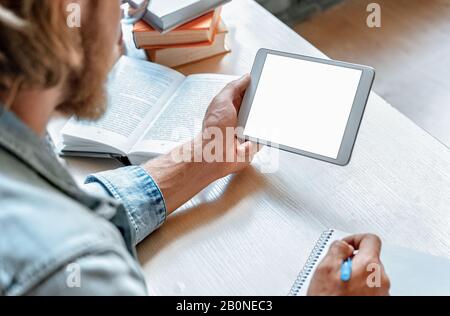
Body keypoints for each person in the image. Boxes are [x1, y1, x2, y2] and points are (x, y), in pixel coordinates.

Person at [0, 0, 390, 296]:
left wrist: (205, 155)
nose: (130, 15)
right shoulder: (73, 270)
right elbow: (65, 245)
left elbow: (76, 211)